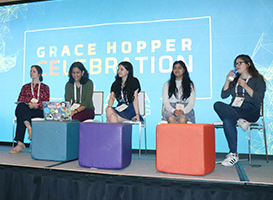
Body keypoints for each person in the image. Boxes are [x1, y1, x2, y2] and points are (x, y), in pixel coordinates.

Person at [214, 54, 266, 167]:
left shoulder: (258, 80)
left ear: (248, 64)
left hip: (251, 110)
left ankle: (239, 122)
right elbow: (224, 95)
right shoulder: (235, 80)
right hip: (236, 109)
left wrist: (246, 86)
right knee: (218, 106)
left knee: (228, 119)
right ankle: (234, 153)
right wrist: (227, 80)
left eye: (240, 63)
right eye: (236, 63)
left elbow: (258, 99)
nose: (237, 65)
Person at [10, 65, 50, 153]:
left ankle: (20, 144)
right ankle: (29, 127)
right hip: (26, 109)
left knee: (22, 116)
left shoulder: (45, 87)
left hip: (38, 111)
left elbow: (46, 102)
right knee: (20, 107)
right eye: (31, 71)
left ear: (39, 74)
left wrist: (37, 105)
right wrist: (29, 104)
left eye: (34, 71)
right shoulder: (25, 87)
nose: (31, 73)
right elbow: (20, 100)